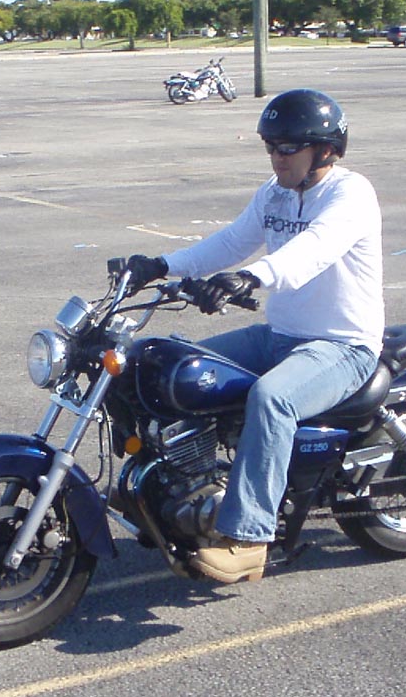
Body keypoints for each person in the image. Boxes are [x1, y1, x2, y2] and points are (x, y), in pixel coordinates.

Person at [125, 88, 384, 583]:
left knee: (271, 398)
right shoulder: (275, 192)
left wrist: (252, 277)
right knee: (166, 367)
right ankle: (166, 489)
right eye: (270, 146)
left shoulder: (351, 194)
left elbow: (315, 248)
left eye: (288, 147)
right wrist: (160, 265)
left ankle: (249, 537)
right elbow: (231, 241)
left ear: (325, 149)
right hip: (281, 335)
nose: (277, 157)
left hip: (342, 345)